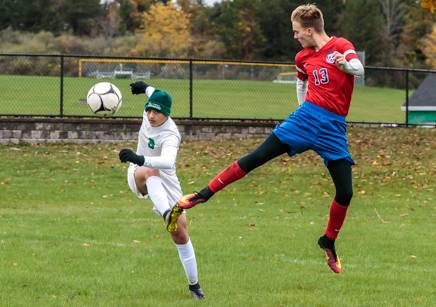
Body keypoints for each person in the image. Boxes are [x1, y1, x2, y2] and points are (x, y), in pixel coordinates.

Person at [172, 3, 364, 274]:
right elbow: (302, 82)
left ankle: (328, 241)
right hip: (305, 119)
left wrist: (346, 64)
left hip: (333, 128)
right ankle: (202, 195)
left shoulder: (341, 45)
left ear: (309, 30)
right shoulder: (302, 58)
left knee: (346, 191)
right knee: (256, 158)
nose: (294, 35)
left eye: (297, 31)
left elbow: (358, 68)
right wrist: (302, 108)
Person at [118, 81, 204, 299]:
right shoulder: (151, 108)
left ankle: (194, 286)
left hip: (167, 180)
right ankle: (168, 214)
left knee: (181, 233)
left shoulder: (171, 134)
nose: (151, 116)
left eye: (156, 112)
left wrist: (138, 156)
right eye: (148, 109)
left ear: (166, 113)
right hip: (139, 174)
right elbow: (153, 92)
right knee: (150, 171)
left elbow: (166, 161)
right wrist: (144, 86)